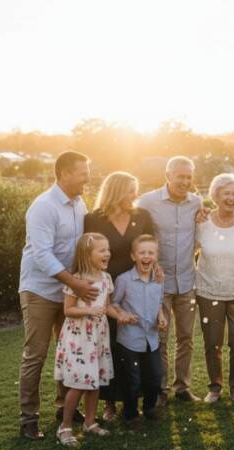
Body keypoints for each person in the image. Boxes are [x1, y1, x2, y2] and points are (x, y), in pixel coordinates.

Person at [18, 151, 98, 440]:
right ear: (64, 173)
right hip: (40, 290)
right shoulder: (43, 207)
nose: (88, 177)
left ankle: (65, 408)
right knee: (36, 355)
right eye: (83, 172)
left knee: (71, 352)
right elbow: (42, 255)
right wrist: (75, 285)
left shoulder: (79, 204)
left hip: (68, 291)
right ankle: (28, 419)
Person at [84, 171, 156, 421]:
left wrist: (156, 270)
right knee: (109, 343)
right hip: (104, 286)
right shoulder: (93, 220)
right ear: (115, 191)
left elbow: (151, 245)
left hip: (137, 287)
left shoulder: (142, 216)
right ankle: (109, 402)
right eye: (130, 190)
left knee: (132, 342)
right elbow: (85, 252)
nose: (134, 196)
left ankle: (134, 397)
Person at [137, 156, 202, 405]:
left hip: (187, 280)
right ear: (168, 176)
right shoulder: (148, 201)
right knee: (159, 337)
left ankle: (182, 387)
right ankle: (160, 388)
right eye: (180, 177)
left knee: (186, 337)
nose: (185, 181)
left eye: (188, 177)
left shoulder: (196, 202)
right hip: (157, 282)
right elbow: (139, 237)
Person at [195, 173, 234, 406]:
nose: (231, 197)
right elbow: (188, 250)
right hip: (208, 290)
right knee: (212, 342)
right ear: (215, 195)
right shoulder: (202, 222)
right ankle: (215, 387)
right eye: (226, 193)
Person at [54, 233, 116, 446]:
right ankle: (65, 426)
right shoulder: (77, 280)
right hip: (79, 339)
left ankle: (90, 422)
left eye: (107, 249)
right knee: (79, 383)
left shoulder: (106, 279)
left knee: (95, 380)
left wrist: (121, 315)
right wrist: (89, 311)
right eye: (101, 250)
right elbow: (68, 310)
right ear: (87, 254)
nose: (107, 253)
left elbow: (106, 307)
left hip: (98, 337)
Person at [112, 234, 168, 425]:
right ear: (133, 256)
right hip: (129, 339)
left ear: (156, 255)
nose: (146, 256)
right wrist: (123, 315)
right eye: (142, 252)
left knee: (155, 376)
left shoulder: (159, 279)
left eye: (150, 252)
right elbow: (113, 303)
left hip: (151, 338)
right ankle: (130, 414)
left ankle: (150, 408)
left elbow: (159, 302)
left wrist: (161, 317)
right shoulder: (124, 280)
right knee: (132, 380)